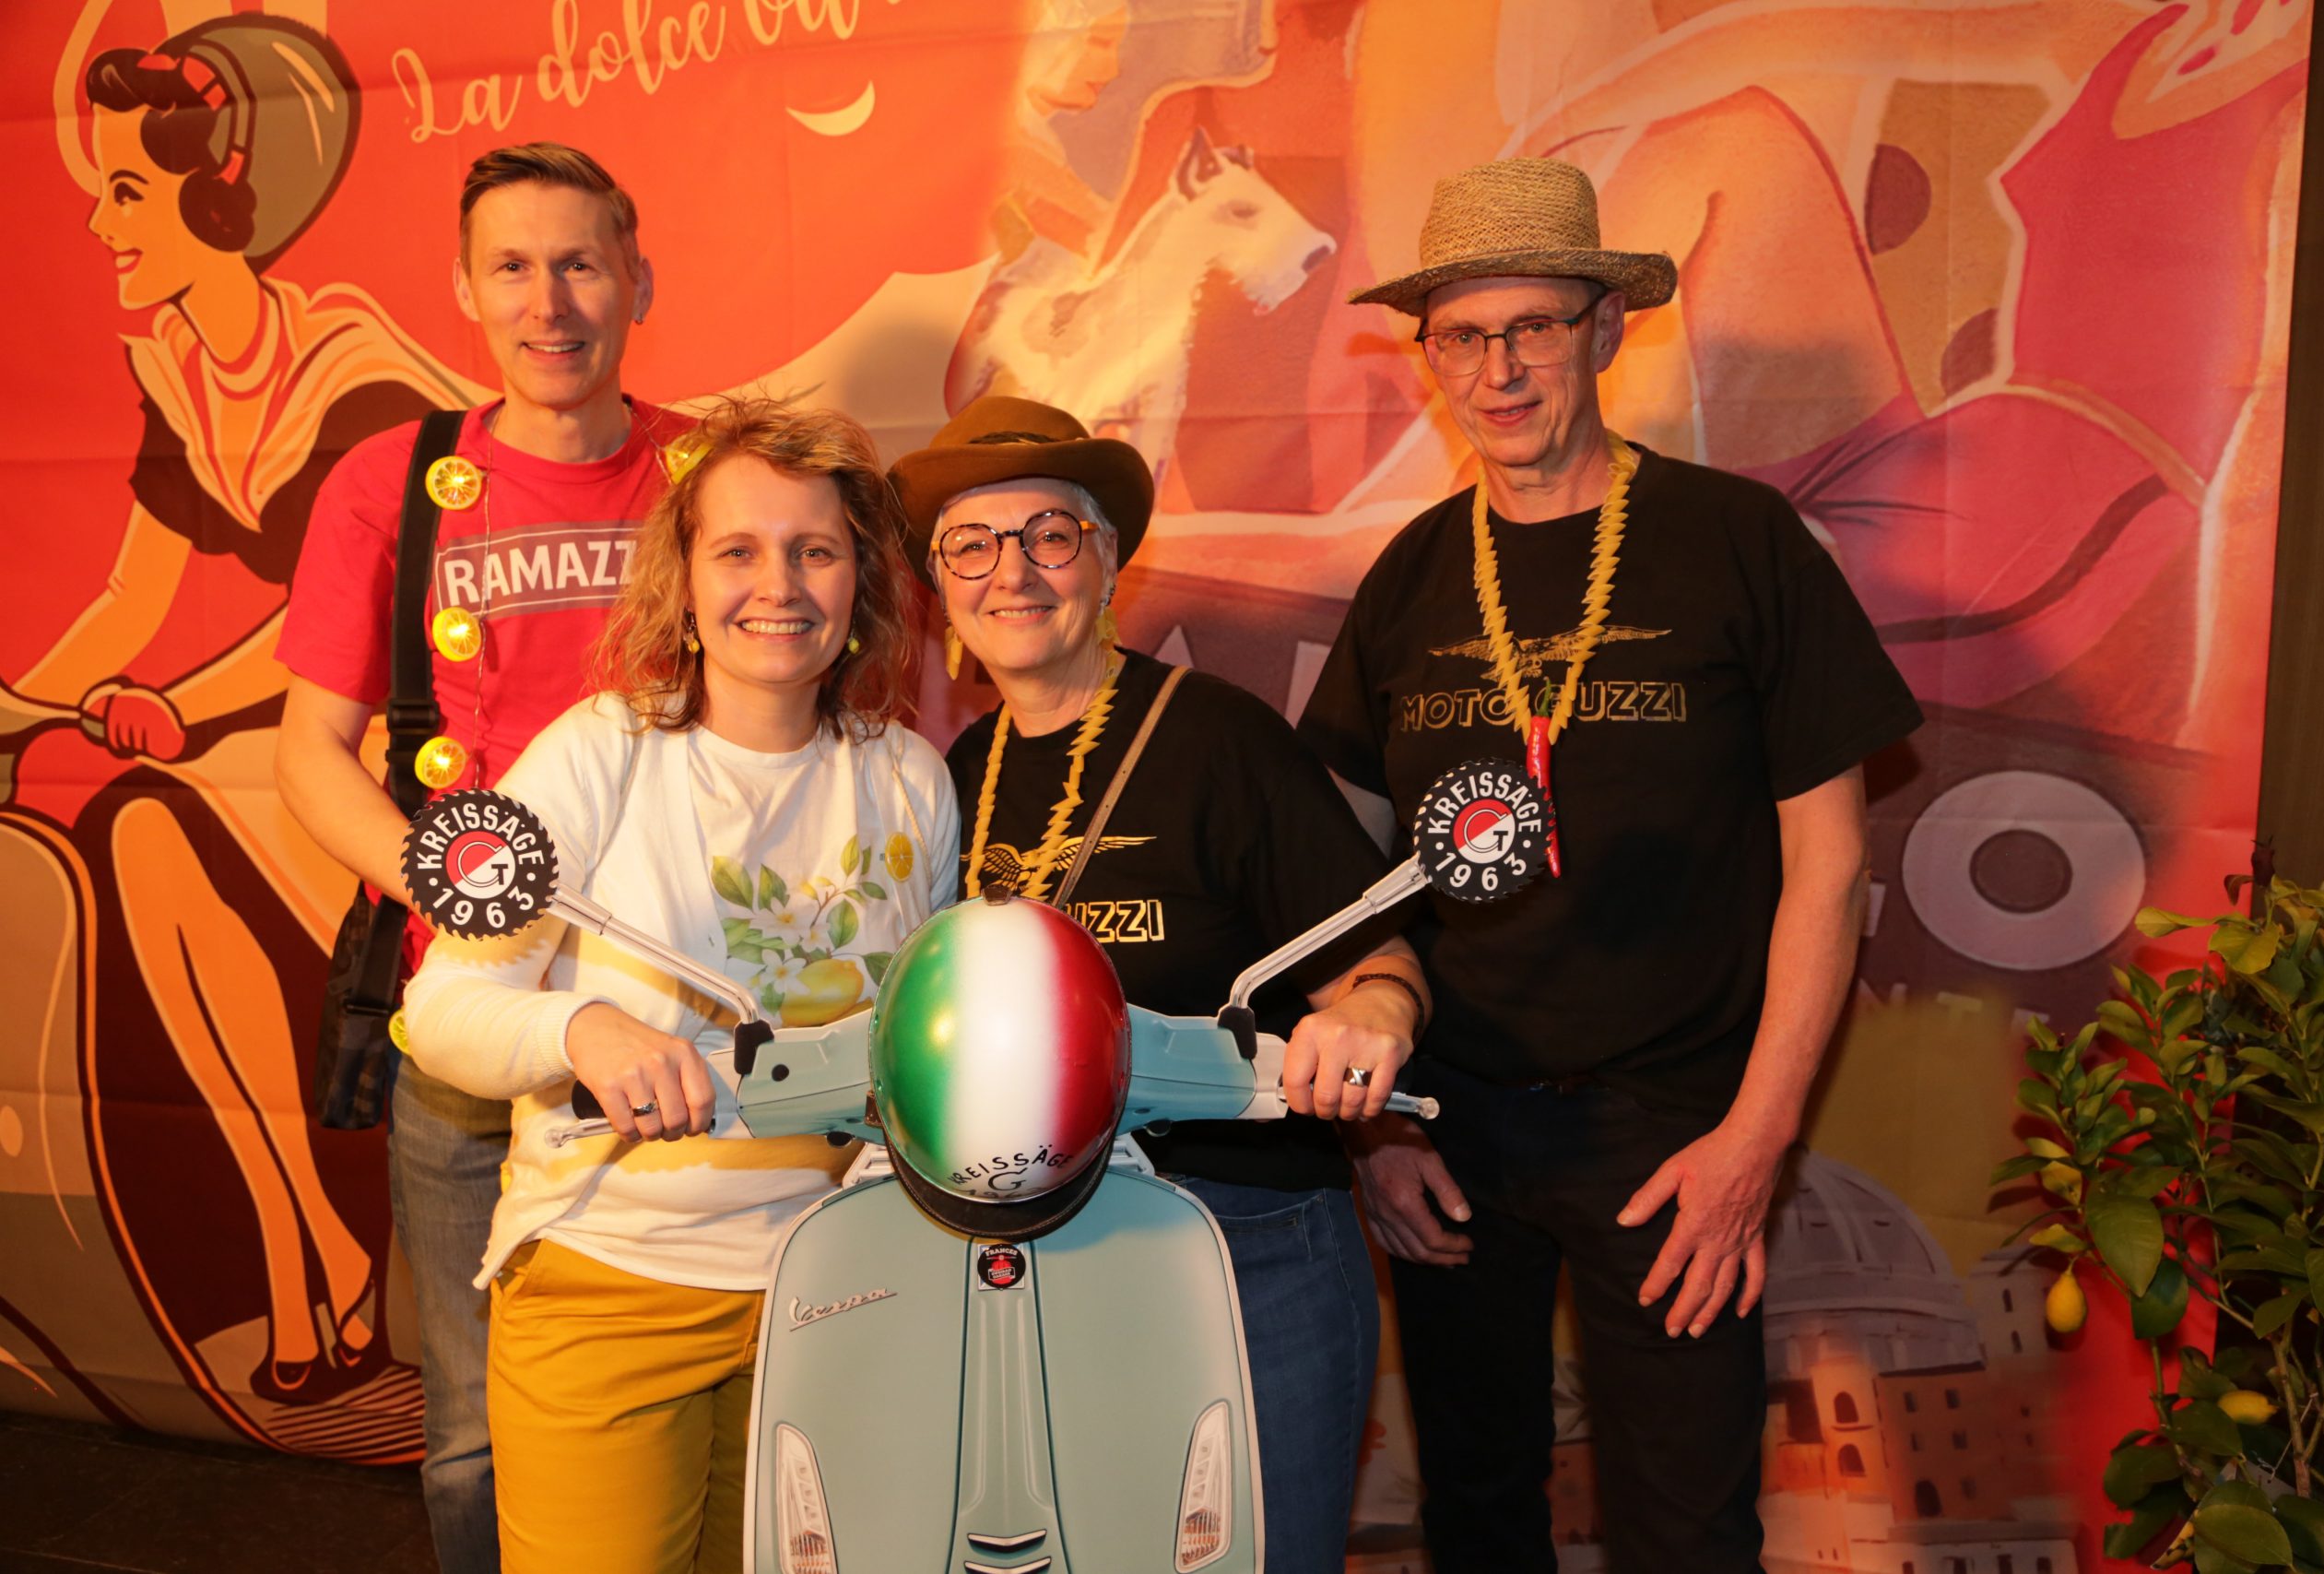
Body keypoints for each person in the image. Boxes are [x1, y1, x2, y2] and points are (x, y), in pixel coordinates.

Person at [1296, 159, 1923, 1571]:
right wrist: (1377, 1133)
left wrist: (1755, 1142)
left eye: (1533, 325)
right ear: (1430, 354)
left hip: (1675, 1132)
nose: (1500, 369)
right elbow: (1341, 876)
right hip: (1448, 1124)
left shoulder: (1738, 541)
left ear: (1604, 327)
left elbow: (1830, 868)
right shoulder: (1411, 574)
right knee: (1475, 1514)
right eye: (1464, 335)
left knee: (1685, 1530)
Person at [0, 14, 469, 1438]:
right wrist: (21, 706)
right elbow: (130, 597)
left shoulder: (357, 374)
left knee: (159, 809)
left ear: (224, 197)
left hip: (394, 767)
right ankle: (301, 1258)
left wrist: (175, 706)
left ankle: (336, 1268)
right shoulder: (183, 371)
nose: (99, 220)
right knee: (139, 831)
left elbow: (338, 621)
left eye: (127, 189)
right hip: (258, 755)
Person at [401, 398, 958, 1573]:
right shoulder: (602, 751)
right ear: (685, 579)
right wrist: (582, 1027)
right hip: (610, 1287)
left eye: (815, 550)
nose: (780, 586)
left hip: (834, 1292)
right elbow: (443, 1011)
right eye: (738, 550)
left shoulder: (909, 777)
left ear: (861, 579)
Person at [889, 395, 1431, 1573]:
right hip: (1032, 1256)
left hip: (1244, 1247)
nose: (1012, 573)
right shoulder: (953, 777)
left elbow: (1376, 961)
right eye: (971, 545)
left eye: (1049, 535)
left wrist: (1374, 1014)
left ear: (1105, 560)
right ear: (938, 586)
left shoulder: (1219, 739)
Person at [274, 142, 688, 1570]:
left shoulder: (717, 477)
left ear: (638, 280)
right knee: (474, 1428)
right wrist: (459, 888)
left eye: (580, 263)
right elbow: (308, 752)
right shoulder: (392, 482)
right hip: (469, 1020)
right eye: (512, 266)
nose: (548, 301)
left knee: (708, 1379)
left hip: (684, 1016)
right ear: (463, 288)